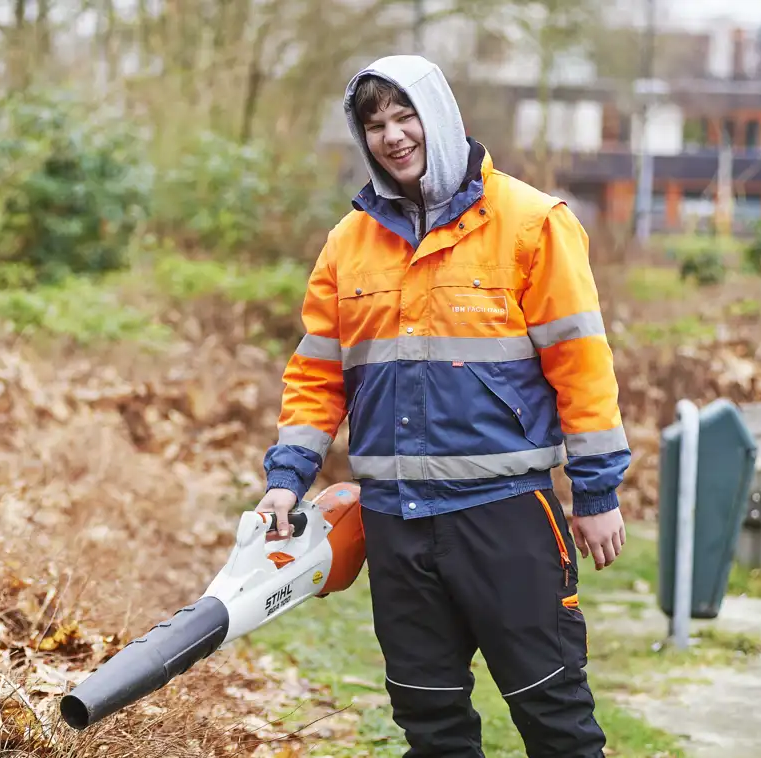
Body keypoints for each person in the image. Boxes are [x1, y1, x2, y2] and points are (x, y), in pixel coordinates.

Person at [255, 54, 631, 757]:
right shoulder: (347, 243)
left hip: (505, 514)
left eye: (405, 117)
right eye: (374, 125)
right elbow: (314, 376)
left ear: (440, 118)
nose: (392, 136)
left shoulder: (531, 223)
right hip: (393, 522)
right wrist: (286, 478)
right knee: (428, 726)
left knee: (554, 718)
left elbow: (581, 364)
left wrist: (596, 489)